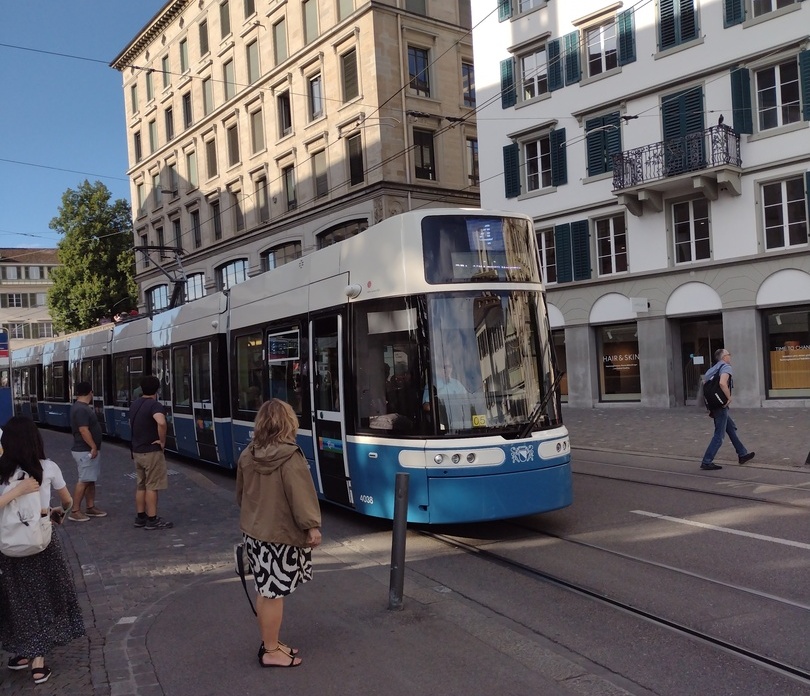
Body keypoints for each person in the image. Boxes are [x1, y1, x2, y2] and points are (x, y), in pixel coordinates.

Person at [236, 399, 321, 668]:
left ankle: (270, 641)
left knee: (265, 589)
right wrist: (312, 526)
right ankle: (271, 650)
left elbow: (241, 495)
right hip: (279, 534)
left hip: (255, 531)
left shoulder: (248, 453)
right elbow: (301, 496)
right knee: (274, 593)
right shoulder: (289, 455)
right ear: (288, 421)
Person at [0, 417, 85, 684]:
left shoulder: (1, 472)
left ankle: (25, 653)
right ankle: (38, 662)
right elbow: (68, 502)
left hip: (9, 547)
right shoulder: (48, 467)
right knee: (46, 598)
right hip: (42, 544)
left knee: (19, 601)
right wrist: (55, 511)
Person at [700, 348, 755, 471]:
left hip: (714, 405)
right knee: (719, 435)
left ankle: (742, 454)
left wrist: (711, 406)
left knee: (730, 428)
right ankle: (707, 461)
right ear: (724, 357)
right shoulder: (726, 367)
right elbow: (722, 383)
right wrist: (729, 398)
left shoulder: (711, 370)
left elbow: (705, 386)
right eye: (728, 354)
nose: (730, 356)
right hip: (721, 405)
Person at [129, 375, 173, 530]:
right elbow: (161, 422)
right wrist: (162, 441)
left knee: (140, 485)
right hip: (151, 451)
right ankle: (152, 519)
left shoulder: (135, 404)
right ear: (157, 389)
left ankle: (140, 517)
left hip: (137, 451)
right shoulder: (155, 405)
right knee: (152, 486)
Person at [68, 381, 107, 522]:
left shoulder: (79, 407)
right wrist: (93, 446)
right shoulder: (81, 409)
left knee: (90, 479)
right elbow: (83, 430)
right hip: (85, 450)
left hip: (86, 449)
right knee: (84, 479)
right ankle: (75, 510)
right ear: (90, 392)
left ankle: (90, 507)